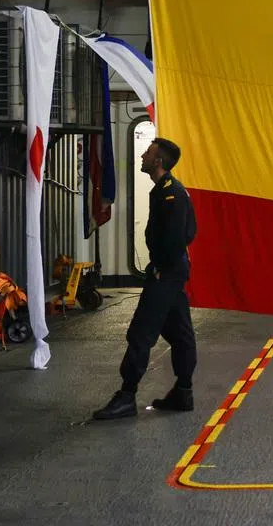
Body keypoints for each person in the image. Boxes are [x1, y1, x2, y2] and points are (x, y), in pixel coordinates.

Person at [93, 137, 198, 421]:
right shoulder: (166, 190)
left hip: (166, 271)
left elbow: (182, 234)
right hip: (172, 270)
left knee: (141, 332)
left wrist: (162, 266)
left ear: (158, 161)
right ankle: (183, 392)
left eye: (148, 153)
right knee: (179, 332)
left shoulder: (171, 192)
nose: (142, 155)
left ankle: (127, 395)